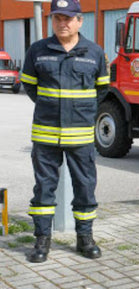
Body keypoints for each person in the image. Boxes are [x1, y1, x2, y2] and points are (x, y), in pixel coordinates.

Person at [20, 0, 109, 263]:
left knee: (85, 187)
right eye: (57, 17)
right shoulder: (37, 50)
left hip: (80, 136)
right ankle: (42, 240)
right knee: (44, 189)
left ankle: (85, 239)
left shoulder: (94, 52)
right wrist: (52, 108)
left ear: (80, 21)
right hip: (46, 135)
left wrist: (80, 112)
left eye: (68, 18)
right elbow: (30, 86)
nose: (63, 23)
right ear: (52, 20)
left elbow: (101, 89)